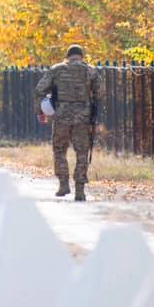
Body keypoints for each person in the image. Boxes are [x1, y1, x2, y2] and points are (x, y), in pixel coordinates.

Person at [34, 44, 103, 201]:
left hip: (61, 117)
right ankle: (80, 190)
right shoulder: (90, 70)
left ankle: (63, 184)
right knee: (82, 152)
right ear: (81, 56)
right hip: (83, 119)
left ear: (67, 56)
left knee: (59, 150)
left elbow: (40, 89)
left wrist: (40, 111)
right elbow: (100, 92)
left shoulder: (56, 69)